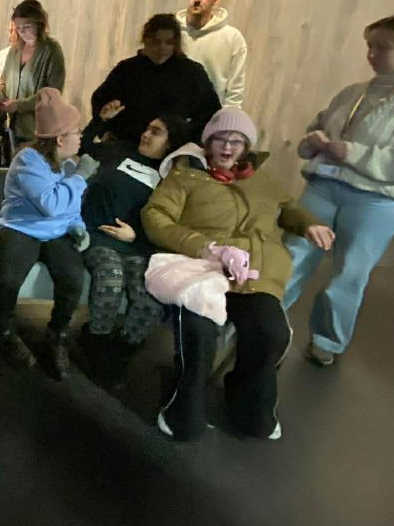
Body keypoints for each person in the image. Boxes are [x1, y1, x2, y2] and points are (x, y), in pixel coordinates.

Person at [142, 108, 335, 442]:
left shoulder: (261, 181)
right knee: (200, 333)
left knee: (270, 333)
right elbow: (156, 216)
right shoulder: (185, 177)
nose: (228, 147)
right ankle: (183, 407)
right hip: (202, 269)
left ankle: (248, 405)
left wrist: (309, 223)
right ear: (207, 143)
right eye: (220, 139)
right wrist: (203, 246)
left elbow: (288, 208)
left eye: (237, 141)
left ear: (247, 147)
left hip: (254, 275)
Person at [282, 14, 394, 366]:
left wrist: (354, 154)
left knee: (349, 273)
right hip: (324, 187)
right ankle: (266, 331)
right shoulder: (353, 92)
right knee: (291, 256)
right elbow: (318, 127)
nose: (372, 54)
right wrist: (315, 142)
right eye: (370, 46)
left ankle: (327, 340)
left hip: (378, 200)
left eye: (383, 47)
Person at [0, 88, 99, 380]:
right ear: (60, 138)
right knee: (8, 279)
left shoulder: (68, 164)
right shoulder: (28, 160)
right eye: (77, 132)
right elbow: (50, 204)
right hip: (19, 226)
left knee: (72, 277)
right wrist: (80, 177)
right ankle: (2, 331)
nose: (81, 137)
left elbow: (69, 208)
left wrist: (77, 226)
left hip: (57, 231)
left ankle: (57, 335)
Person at [81, 114, 194, 385]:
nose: (146, 134)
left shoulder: (170, 180)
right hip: (97, 235)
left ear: (170, 143)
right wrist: (100, 121)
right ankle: (95, 344)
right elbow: (83, 147)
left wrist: (135, 235)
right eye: (147, 128)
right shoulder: (120, 151)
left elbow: (167, 221)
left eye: (156, 132)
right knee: (111, 278)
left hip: (137, 246)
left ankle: (121, 352)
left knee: (149, 299)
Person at [82, 13, 219, 152]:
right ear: (145, 40)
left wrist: (189, 142)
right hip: (125, 146)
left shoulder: (192, 73)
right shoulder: (127, 69)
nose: (162, 48)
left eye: (169, 42)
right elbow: (100, 100)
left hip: (171, 151)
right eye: (156, 42)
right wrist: (104, 130)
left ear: (176, 44)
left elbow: (211, 113)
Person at [0, 0, 67, 145]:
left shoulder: (51, 50)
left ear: (39, 24)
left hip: (39, 128)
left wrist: (18, 105)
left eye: (27, 27)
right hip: (14, 126)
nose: (22, 32)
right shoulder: (14, 51)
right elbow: (4, 85)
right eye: (18, 28)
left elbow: (52, 95)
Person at [175, 0, 247, 107]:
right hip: (172, 114)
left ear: (216, 0)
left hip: (210, 114)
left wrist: (227, 117)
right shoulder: (173, 33)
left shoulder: (232, 38)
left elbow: (235, 92)